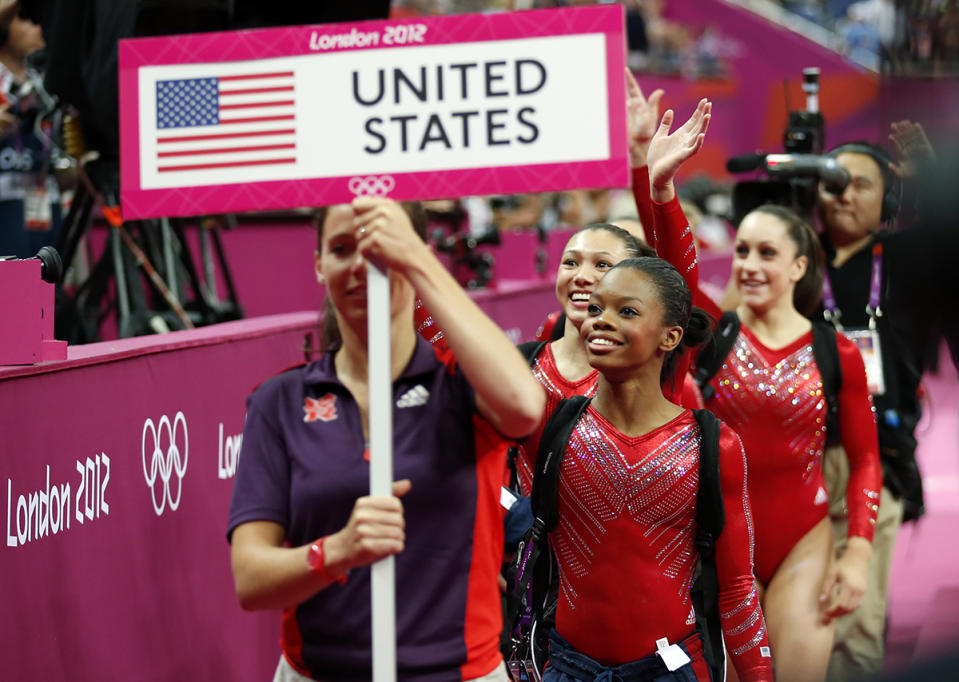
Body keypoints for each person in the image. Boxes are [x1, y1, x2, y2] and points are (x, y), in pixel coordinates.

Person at [227, 197, 546, 682]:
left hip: (459, 674)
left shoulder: (461, 385)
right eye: (341, 248)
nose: (361, 265)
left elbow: (525, 406)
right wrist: (336, 552)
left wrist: (416, 260)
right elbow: (251, 579)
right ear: (318, 265)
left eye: (380, 247)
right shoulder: (280, 400)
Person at [523, 257, 773, 681]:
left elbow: (736, 588)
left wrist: (758, 675)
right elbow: (446, 348)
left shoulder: (711, 445)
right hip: (568, 667)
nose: (601, 321)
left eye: (627, 311)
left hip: (669, 668)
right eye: (596, 309)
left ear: (670, 336)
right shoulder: (553, 426)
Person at [814, 130, 935, 681]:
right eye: (834, 183)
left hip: (876, 455)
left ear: (887, 198)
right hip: (795, 456)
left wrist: (927, 188)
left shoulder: (908, 260)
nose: (844, 195)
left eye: (862, 184)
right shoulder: (795, 257)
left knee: (857, 626)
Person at [0, 0, 64, 258]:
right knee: (10, 295)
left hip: (46, 205)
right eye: (26, 19)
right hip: (5, 208)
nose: (38, 29)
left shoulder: (49, 82)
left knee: (49, 293)